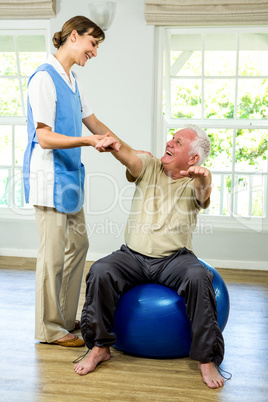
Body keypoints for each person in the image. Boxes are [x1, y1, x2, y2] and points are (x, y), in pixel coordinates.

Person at [73, 125, 226, 388]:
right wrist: (114, 148)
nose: (170, 142)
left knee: (200, 276)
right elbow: (129, 156)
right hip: (132, 256)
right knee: (100, 271)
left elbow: (203, 193)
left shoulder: (194, 183)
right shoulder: (150, 166)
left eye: (178, 142)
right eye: (172, 138)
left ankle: (206, 359)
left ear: (193, 159)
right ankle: (99, 347)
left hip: (175, 259)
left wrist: (205, 178)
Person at [23, 16, 120, 347]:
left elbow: (94, 123)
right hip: (48, 177)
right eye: (93, 43)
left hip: (68, 178)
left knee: (78, 245)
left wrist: (131, 150)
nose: (95, 51)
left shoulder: (73, 81)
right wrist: (89, 143)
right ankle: (48, 330)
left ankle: (64, 319)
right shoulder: (44, 79)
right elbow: (45, 138)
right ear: (74, 36)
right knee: (51, 255)